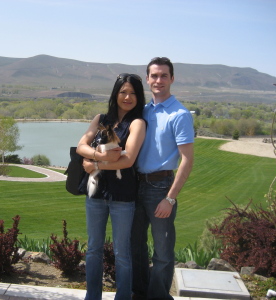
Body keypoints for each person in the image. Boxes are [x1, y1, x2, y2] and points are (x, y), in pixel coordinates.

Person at [77, 73, 146, 300]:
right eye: (123, 91)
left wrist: (95, 163)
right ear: (115, 93)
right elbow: (81, 146)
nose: (127, 97)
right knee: (94, 249)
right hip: (95, 193)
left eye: (133, 93)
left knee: (122, 253)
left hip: (123, 197)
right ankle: (92, 297)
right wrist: (101, 156)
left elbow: (128, 161)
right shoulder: (101, 119)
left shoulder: (137, 123)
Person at [131, 57, 194, 300]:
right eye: (154, 76)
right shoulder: (143, 111)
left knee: (163, 252)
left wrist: (170, 199)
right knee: (135, 247)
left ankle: (157, 297)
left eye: (163, 76)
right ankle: (139, 293)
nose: (158, 80)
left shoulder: (180, 114)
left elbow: (187, 160)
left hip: (160, 189)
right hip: (135, 186)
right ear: (147, 79)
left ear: (172, 79)